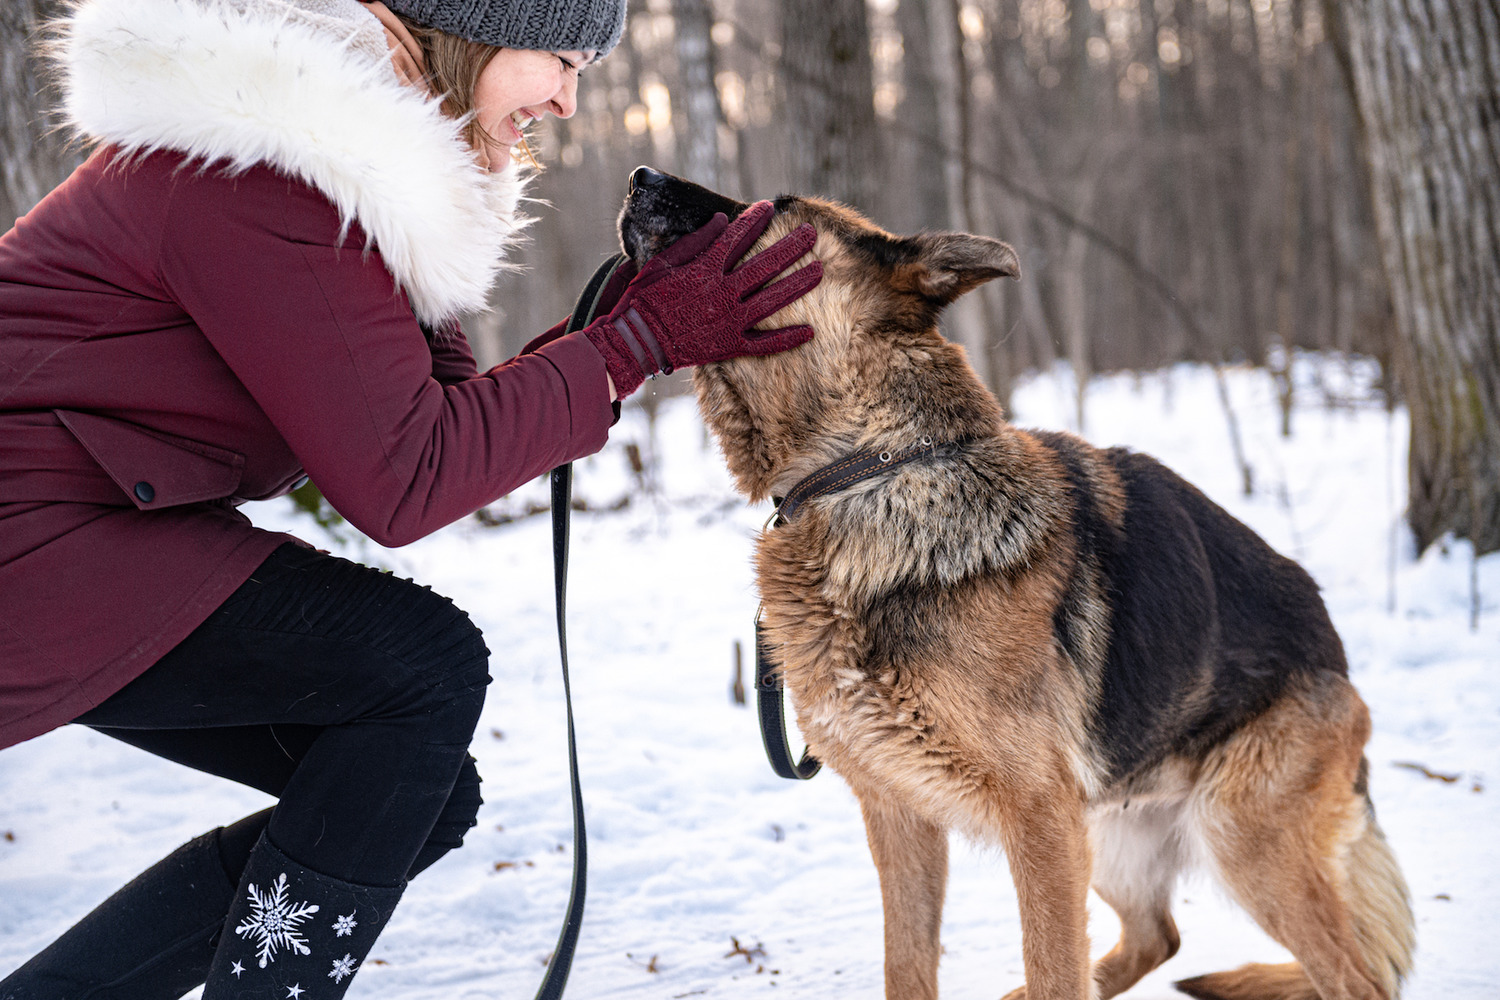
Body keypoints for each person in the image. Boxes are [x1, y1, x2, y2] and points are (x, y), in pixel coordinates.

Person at [0, 0, 823, 995]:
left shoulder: (347, 166)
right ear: (468, 31)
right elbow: (405, 481)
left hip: (82, 526)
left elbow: (437, 421)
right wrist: (632, 344)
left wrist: (605, 337)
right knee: (419, 670)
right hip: (37, 534)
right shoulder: (271, 170)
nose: (567, 99)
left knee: (403, 790)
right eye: (558, 59)